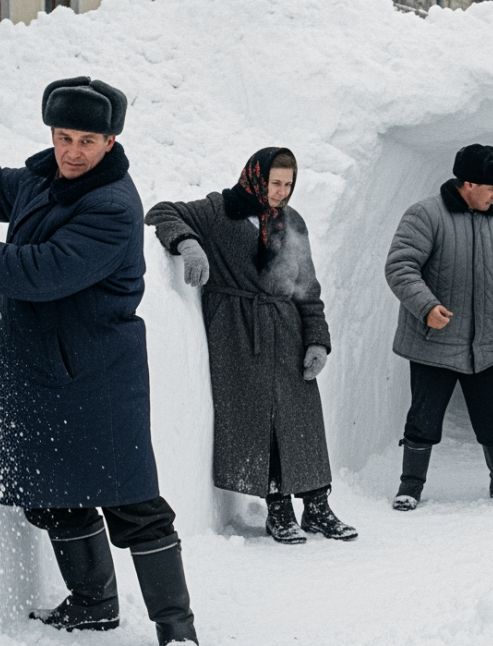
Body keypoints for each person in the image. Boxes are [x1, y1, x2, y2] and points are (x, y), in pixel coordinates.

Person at [0, 77, 197, 645]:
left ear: (111, 142)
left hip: (96, 375)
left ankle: (178, 630)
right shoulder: (49, 176)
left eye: (86, 141)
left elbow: (44, 270)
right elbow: (2, 192)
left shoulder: (113, 206)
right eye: (63, 136)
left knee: (134, 506)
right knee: (54, 493)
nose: (72, 151)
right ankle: (94, 603)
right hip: (42, 368)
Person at [144, 148, 356, 545]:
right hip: (238, 332)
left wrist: (317, 340)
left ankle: (317, 507)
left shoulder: (292, 223)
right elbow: (161, 212)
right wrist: (188, 243)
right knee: (262, 419)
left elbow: (307, 286)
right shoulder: (219, 210)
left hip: (287, 329)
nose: (281, 192)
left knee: (302, 417)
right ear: (256, 177)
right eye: (275, 182)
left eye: (288, 184)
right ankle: (277, 509)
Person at [384, 143, 493, 511]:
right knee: (423, 418)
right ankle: (410, 486)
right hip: (434, 342)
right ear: (468, 183)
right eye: (491, 188)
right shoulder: (425, 215)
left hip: (483, 344)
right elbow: (400, 267)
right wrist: (426, 307)